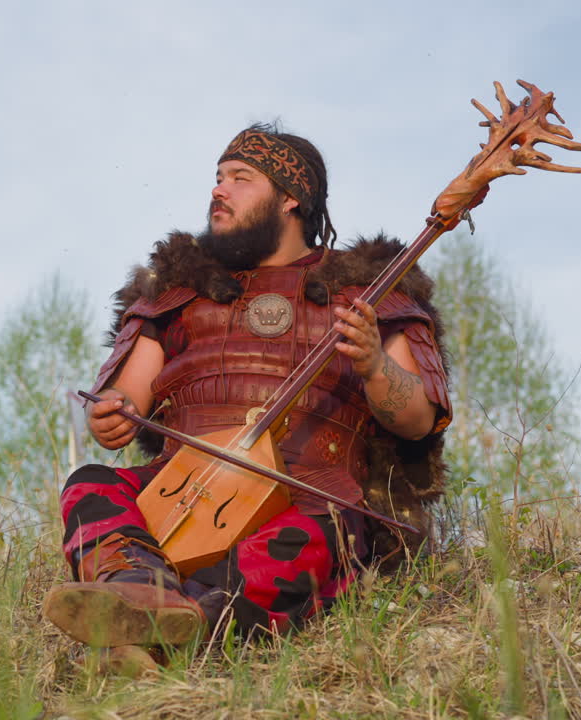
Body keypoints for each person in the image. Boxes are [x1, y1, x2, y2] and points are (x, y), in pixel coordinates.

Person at [42, 123, 451, 667]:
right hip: (184, 494)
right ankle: (138, 589)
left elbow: (418, 420)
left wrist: (375, 364)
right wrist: (114, 416)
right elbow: (125, 396)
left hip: (310, 499)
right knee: (89, 485)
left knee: (314, 536)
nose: (219, 190)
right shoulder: (178, 293)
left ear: (291, 199)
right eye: (217, 177)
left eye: (240, 178)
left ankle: (175, 630)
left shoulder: (370, 292)